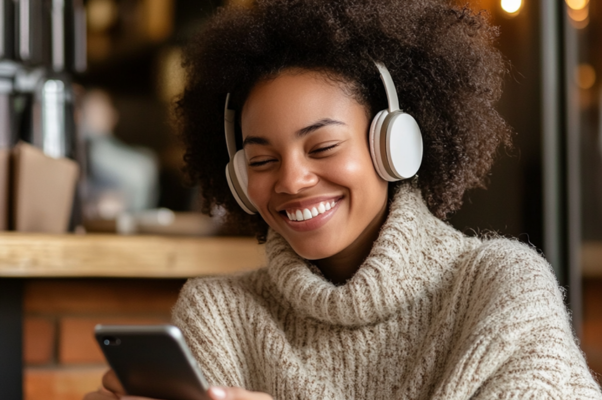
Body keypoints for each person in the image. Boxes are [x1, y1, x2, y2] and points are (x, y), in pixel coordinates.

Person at [85, 0, 602, 399]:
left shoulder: (501, 288)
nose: (291, 180)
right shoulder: (219, 314)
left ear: (394, 145)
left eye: (323, 147)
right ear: (240, 179)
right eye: (261, 161)